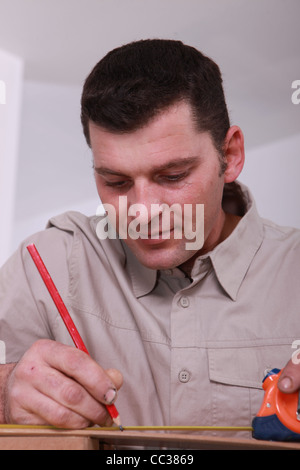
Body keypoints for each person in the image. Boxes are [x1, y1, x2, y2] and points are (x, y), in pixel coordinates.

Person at [0, 39, 300, 436]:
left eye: (172, 176)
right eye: (116, 181)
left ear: (231, 155)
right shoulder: (46, 262)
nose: (141, 211)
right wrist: (6, 394)